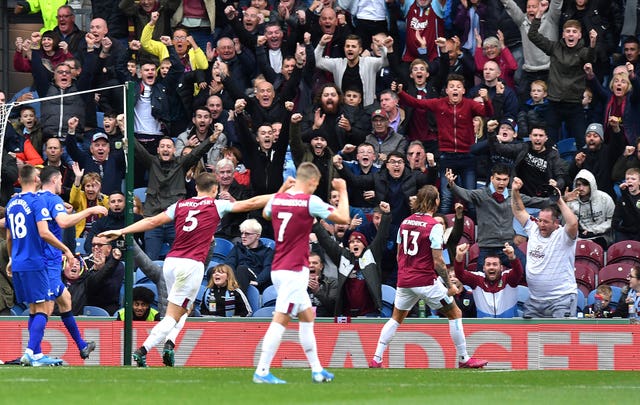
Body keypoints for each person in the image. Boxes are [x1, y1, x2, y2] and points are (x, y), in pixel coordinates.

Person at [100, 172, 289, 367]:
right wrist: (281, 195)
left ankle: (170, 344)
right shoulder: (217, 204)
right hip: (190, 264)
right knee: (174, 314)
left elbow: (152, 221)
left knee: (186, 307)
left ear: (196, 188)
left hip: (171, 262)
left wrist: (122, 231)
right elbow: (252, 203)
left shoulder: (180, 205)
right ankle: (143, 350)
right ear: (215, 190)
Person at [369, 185, 488, 369]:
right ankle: (464, 358)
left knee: (395, 318)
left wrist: (406, 274)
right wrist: (449, 285)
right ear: (435, 202)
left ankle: (376, 358)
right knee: (455, 313)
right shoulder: (434, 226)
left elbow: (399, 254)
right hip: (425, 281)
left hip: (405, 280)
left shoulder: (405, 222)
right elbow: (438, 261)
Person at [253, 163, 350, 384]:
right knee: (281, 319)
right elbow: (343, 218)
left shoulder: (278, 199)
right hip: (293, 270)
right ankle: (262, 371)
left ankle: (317, 369)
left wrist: (281, 189)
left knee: (307, 316)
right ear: (312, 182)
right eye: (315, 184)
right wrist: (343, 190)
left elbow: (266, 213)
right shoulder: (310, 202)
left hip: (279, 267)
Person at [6, 165, 74, 366]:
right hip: (34, 262)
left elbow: (9, 237)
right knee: (45, 306)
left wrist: (11, 258)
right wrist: (66, 250)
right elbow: (44, 233)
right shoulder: (36, 201)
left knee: (35, 308)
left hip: (18, 262)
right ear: (36, 178)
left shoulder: (11, 203)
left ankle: (35, 355)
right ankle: (30, 352)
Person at [39, 166, 108, 359]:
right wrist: (91, 210)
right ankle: (32, 351)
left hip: (43, 259)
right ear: (55, 179)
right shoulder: (52, 199)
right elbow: (64, 222)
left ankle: (82, 344)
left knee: (65, 299)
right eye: (61, 180)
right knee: (46, 306)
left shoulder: (33, 200)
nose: (62, 184)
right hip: (48, 260)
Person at [511, 176, 579, 318]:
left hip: (561, 299)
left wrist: (559, 200)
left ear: (556, 223)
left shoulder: (564, 235)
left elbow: (572, 223)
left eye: (546, 222)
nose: (541, 224)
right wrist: (515, 191)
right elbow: (519, 211)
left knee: (560, 338)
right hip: (535, 300)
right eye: (540, 220)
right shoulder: (533, 228)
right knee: (531, 339)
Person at [312, 201, 392, 317]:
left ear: (364, 245)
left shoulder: (371, 254)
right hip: (346, 314)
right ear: (348, 246)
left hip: (369, 314)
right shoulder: (342, 256)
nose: (355, 243)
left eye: (358, 242)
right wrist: (315, 224)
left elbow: (381, 236)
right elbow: (326, 242)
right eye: (352, 242)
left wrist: (387, 215)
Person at [454, 243, 523, 318]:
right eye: (488, 264)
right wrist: (459, 256)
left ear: (501, 268)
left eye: (495, 264)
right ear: (483, 268)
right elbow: (460, 275)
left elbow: (518, 272)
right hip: (484, 326)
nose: (491, 267)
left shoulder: (508, 278)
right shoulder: (477, 279)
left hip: (509, 326)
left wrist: (512, 257)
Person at [564, 169, 615, 249]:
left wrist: (593, 230)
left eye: (585, 185)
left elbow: (612, 221)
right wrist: (565, 202)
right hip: (580, 237)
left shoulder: (605, 198)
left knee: (589, 246)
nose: (581, 188)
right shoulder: (572, 202)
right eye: (578, 185)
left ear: (592, 185)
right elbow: (567, 225)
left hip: (602, 236)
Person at [224, 219, 274, 292]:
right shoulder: (238, 248)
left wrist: (258, 281)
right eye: (242, 233)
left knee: (242, 269)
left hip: (256, 281)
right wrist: (232, 279)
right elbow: (229, 263)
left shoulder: (267, 251)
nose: (243, 236)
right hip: (236, 278)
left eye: (247, 234)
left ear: (257, 236)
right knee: (213, 271)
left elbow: (268, 268)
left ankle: (239, 301)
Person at [306, 252, 338, 317]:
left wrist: (317, 291)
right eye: (308, 263)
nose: (311, 265)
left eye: (315, 263)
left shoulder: (332, 282)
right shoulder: (298, 283)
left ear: (321, 266)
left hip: (325, 323)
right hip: (302, 322)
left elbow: (334, 308)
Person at [612, 168, 640, 242]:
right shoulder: (622, 198)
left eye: (633, 179)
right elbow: (615, 221)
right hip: (625, 233)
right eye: (627, 179)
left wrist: (625, 194)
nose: (629, 181)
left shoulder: (625, 195)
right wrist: (621, 228)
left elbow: (636, 216)